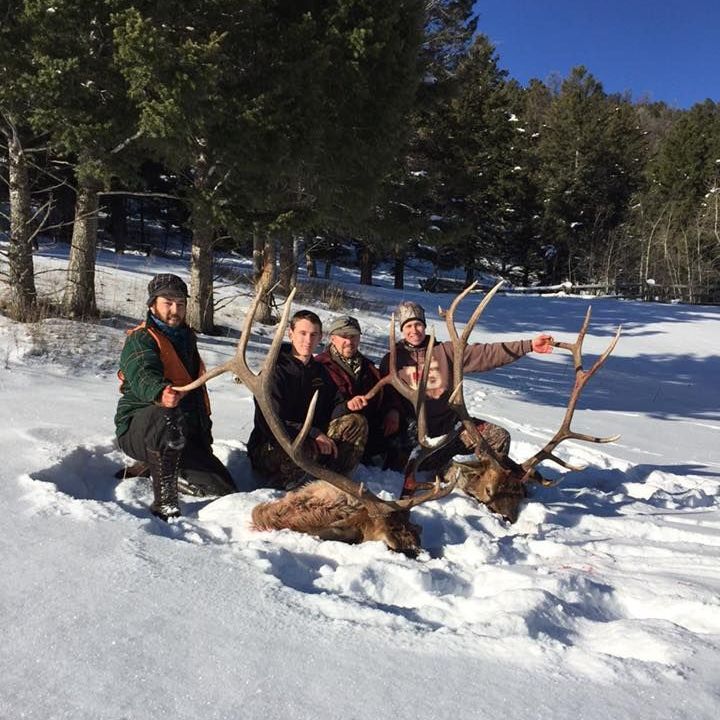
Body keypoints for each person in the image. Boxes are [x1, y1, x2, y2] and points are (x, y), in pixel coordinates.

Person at [379, 300, 554, 493]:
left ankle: (492, 482)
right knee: (421, 467)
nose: (414, 330)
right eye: (408, 326)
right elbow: (386, 394)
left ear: (425, 325)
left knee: (498, 437)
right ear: (402, 329)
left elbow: (486, 354)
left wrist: (527, 345)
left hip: (450, 430)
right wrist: (392, 411)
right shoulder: (392, 359)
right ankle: (456, 473)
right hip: (416, 441)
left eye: (418, 324)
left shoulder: (446, 351)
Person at [115, 273, 235, 520]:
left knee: (222, 489)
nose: (175, 309)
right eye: (167, 303)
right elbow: (142, 373)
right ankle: (165, 502)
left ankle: (154, 466)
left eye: (180, 304)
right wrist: (160, 392)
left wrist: (203, 446)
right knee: (166, 415)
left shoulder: (186, 338)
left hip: (180, 434)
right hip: (139, 428)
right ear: (152, 305)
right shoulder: (141, 339)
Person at [246, 309, 367, 490]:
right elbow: (271, 421)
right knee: (300, 448)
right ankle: (284, 490)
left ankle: (334, 483)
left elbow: (334, 403)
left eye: (313, 335)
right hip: (273, 445)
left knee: (356, 422)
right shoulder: (274, 372)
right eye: (302, 333)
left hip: (311, 441)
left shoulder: (320, 371)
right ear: (290, 334)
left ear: (320, 338)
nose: (308, 340)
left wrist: (346, 406)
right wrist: (313, 434)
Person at [315, 315, 387, 465]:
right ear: (332, 338)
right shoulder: (319, 366)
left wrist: (394, 411)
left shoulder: (370, 368)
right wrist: (346, 407)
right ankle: (339, 472)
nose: (349, 342)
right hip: (328, 430)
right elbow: (317, 409)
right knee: (355, 421)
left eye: (353, 336)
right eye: (343, 336)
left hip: (364, 433)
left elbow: (385, 396)